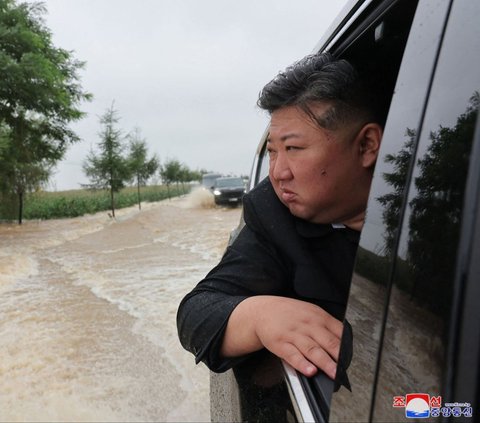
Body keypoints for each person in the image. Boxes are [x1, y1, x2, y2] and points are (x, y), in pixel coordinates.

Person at [177, 52, 384, 381]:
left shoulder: (439, 215)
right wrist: (258, 316)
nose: (277, 173)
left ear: (367, 146)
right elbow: (196, 314)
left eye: (294, 149)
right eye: (272, 152)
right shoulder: (274, 215)